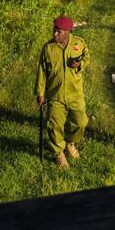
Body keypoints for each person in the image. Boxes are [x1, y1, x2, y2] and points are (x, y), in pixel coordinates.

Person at [36, 15, 90, 169]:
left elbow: (87, 57)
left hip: (75, 94)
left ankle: (70, 143)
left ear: (68, 31)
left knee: (81, 122)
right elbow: (42, 72)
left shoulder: (78, 43)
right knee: (54, 126)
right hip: (55, 94)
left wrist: (80, 64)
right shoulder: (48, 48)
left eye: (58, 32)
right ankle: (59, 153)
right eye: (54, 30)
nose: (54, 34)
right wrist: (40, 94)